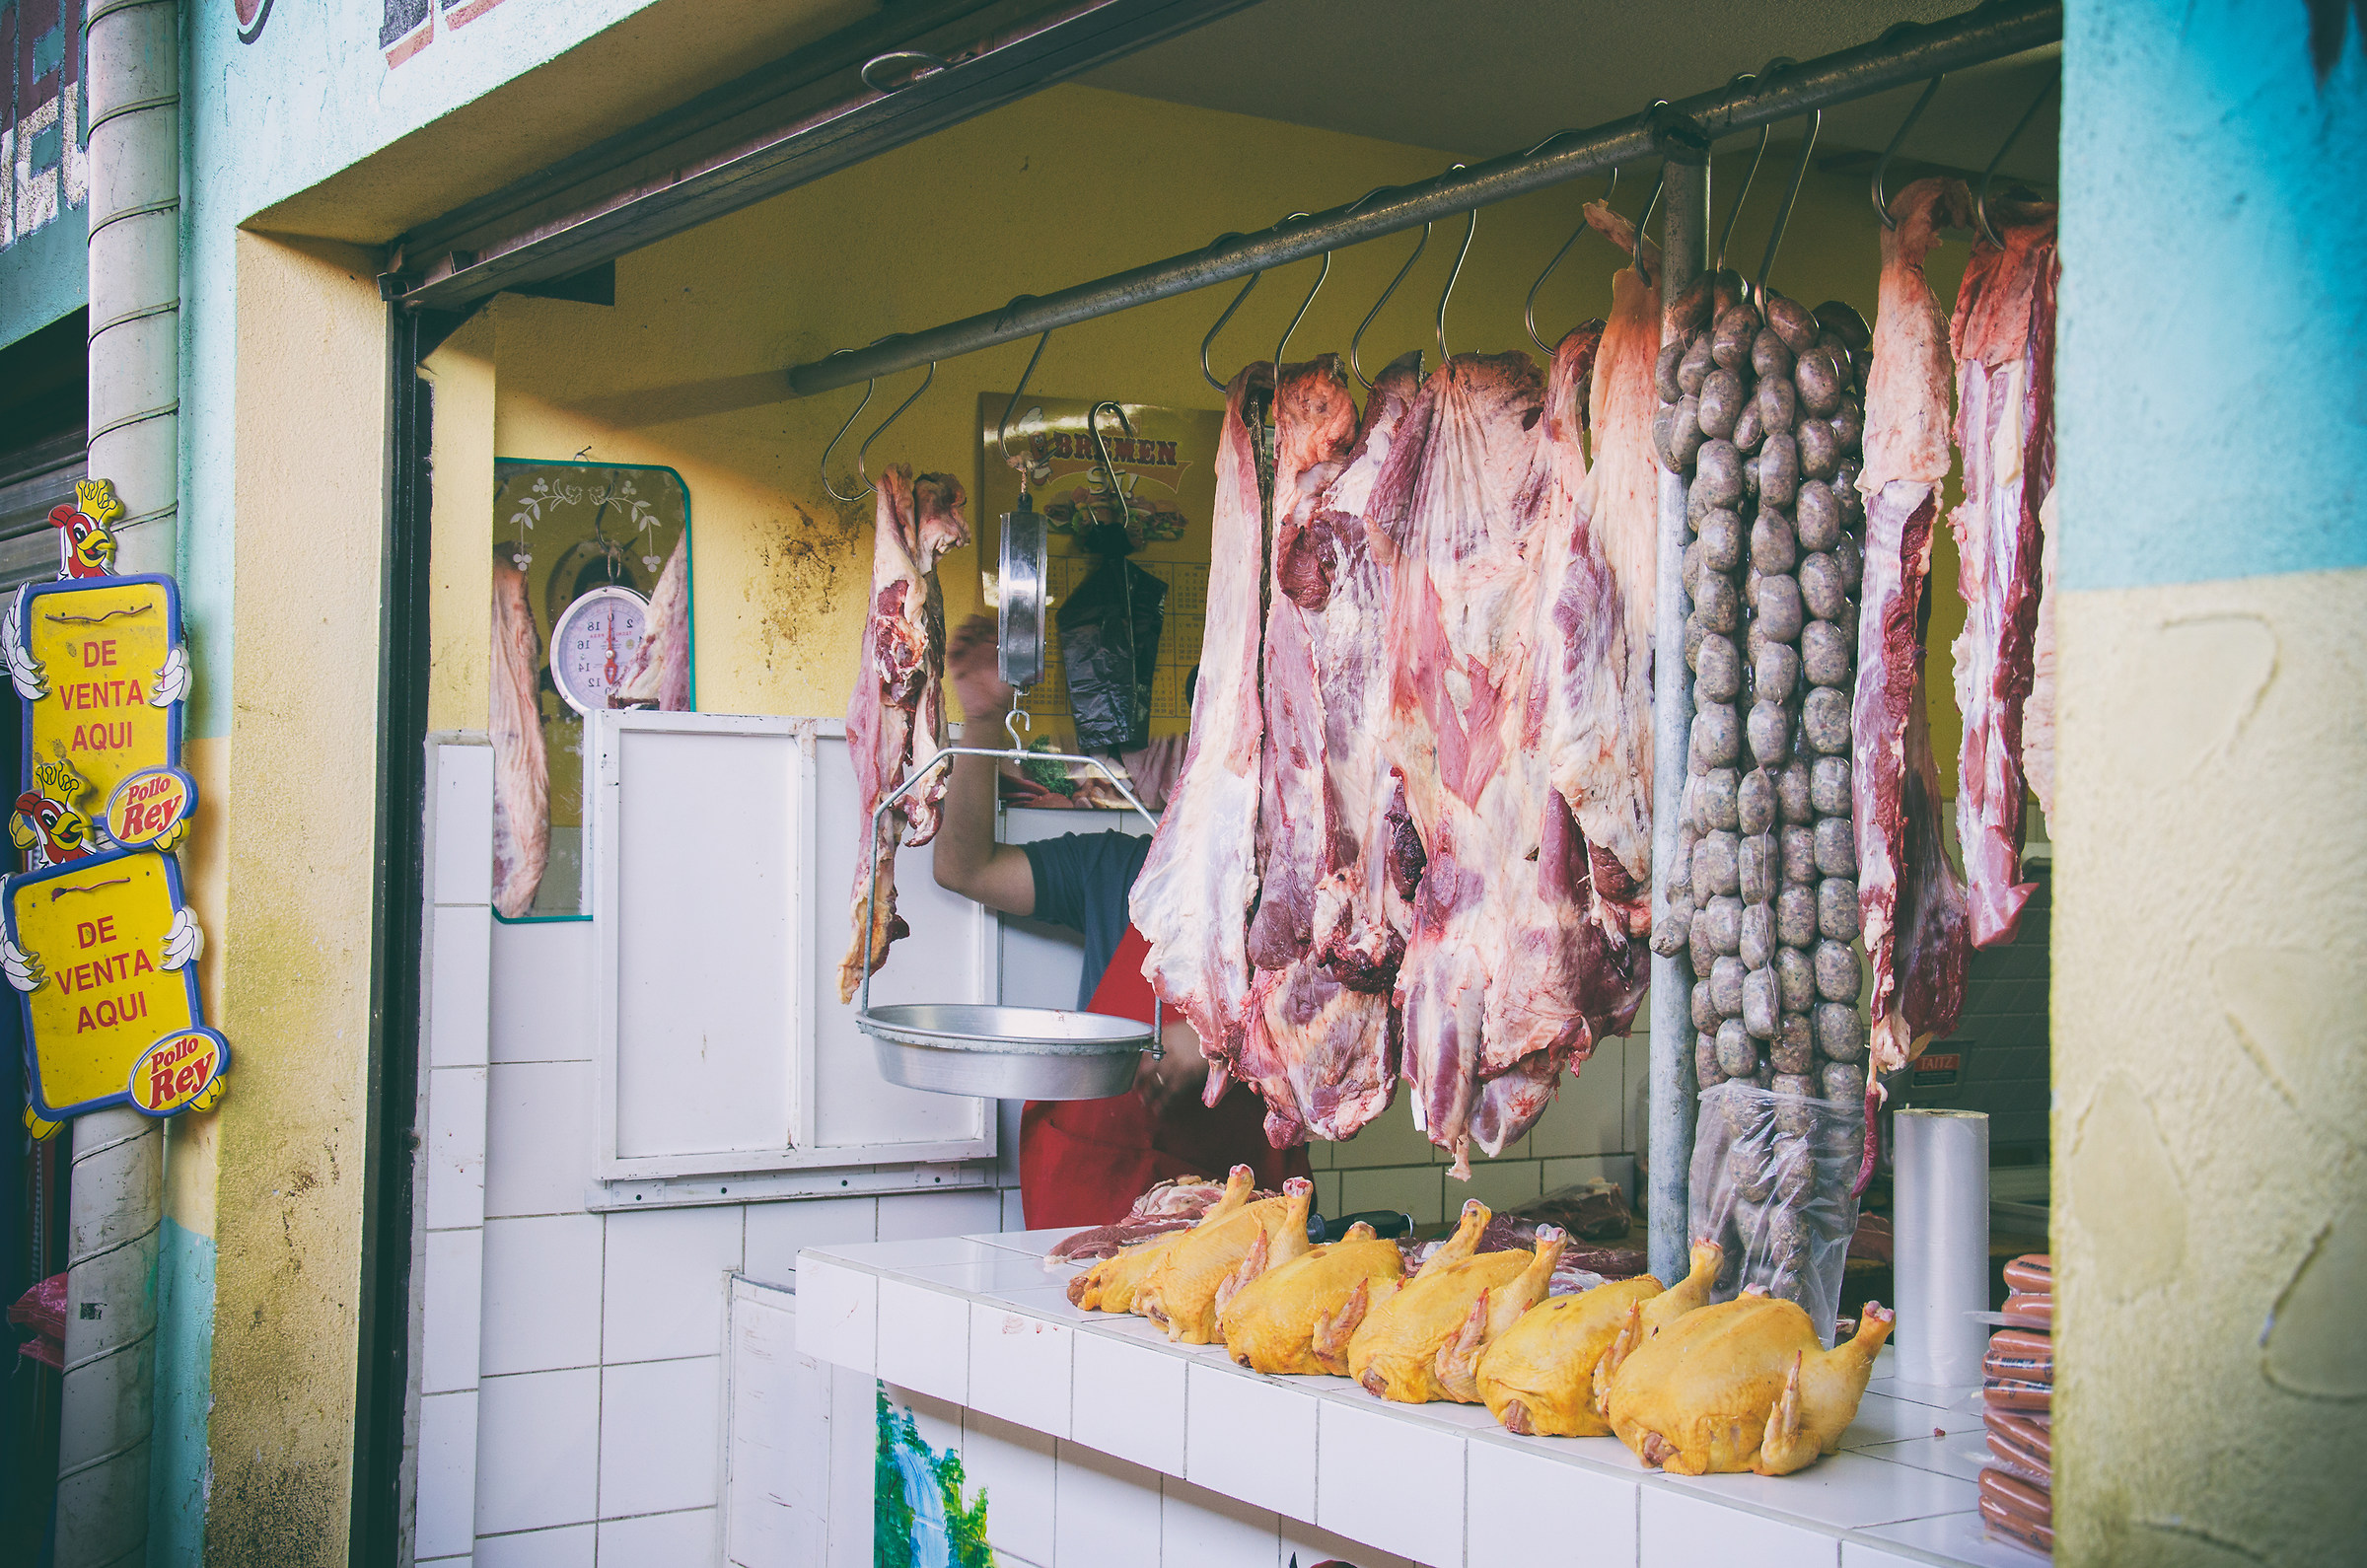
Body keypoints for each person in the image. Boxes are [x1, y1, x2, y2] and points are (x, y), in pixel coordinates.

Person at [934, 614, 1307, 1228]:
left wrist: (1226, 1053)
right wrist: (982, 723)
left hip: (1238, 1224)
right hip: (1096, 1207)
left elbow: (1342, 1047)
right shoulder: (1117, 867)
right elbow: (964, 867)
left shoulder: (1319, 909)